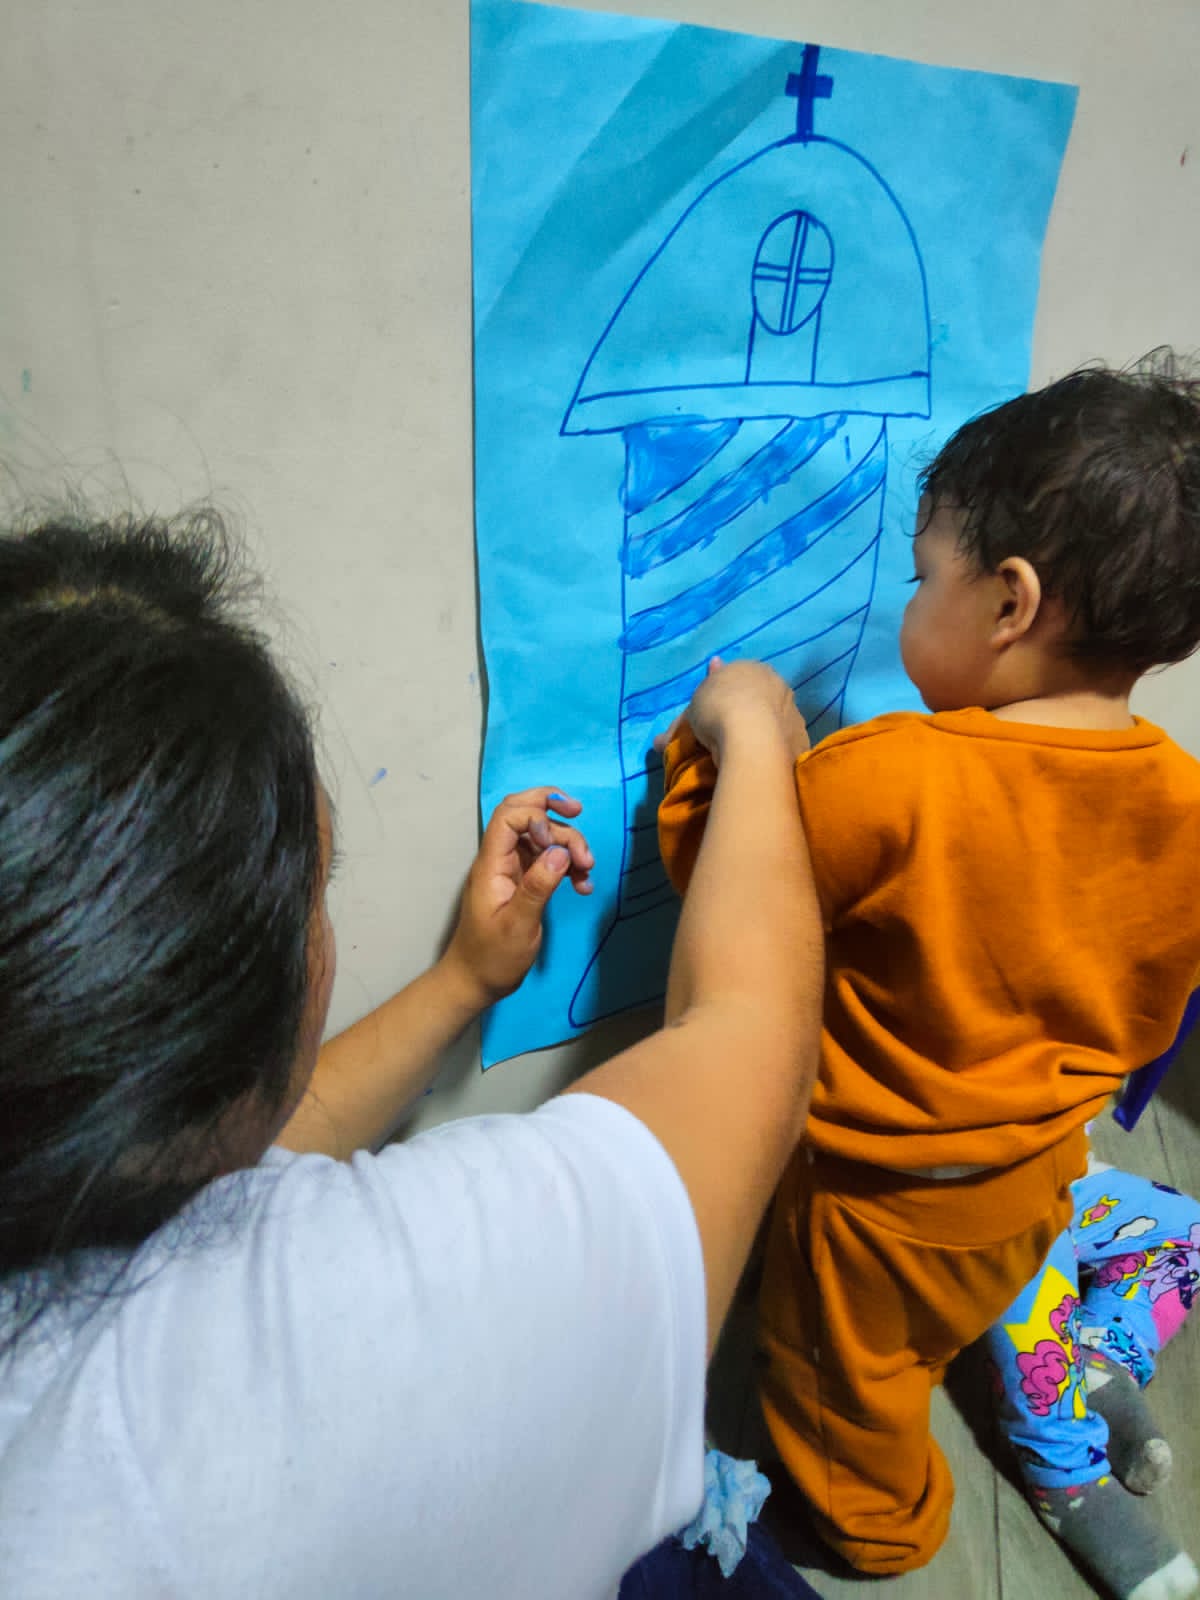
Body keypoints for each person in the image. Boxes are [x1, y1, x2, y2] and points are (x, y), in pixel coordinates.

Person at [0, 510, 823, 1599]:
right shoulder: (362, 1338)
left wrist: (463, 980)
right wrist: (756, 731)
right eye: (319, 889)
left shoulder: (61, 1168)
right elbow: (753, 1035)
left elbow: (220, 1148)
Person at [657, 358, 1200, 1600]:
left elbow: (725, 883)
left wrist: (721, 742)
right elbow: (1151, 1006)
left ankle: (888, 1527)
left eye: (919, 578)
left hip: (875, 1210)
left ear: (1009, 602)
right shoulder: (1185, 800)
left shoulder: (890, 775)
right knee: (1001, 1284)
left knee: (842, 1396)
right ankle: (1060, 1359)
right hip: (1034, 1172)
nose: (907, 602)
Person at [986, 1155, 1200, 1593]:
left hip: (1050, 1168)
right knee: (1025, 1230)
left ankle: (1100, 1359)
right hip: (971, 1190)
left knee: (1188, 1231)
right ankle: (1062, 1471)